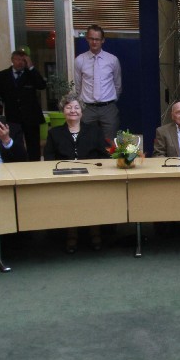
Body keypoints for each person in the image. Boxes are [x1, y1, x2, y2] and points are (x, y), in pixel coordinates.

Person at [44, 95, 109, 253]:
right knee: (70, 200)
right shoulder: (54, 133)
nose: (73, 110)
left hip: (91, 178)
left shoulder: (95, 131)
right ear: (63, 111)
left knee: (92, 199)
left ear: (82, 111)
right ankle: (71, 235)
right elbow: (49, 158)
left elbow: (104, 156)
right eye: (68, 107)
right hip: (64, 179)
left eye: (76, 107)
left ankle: (95, 233)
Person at [73, 24, 123, 145]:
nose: (94, 42)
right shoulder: (80, 60)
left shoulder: (112, 60)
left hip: (108, 107)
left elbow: (117, 84)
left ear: (103, 40)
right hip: (87, 108)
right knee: (85, 142)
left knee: (111, 143)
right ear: (87, 39)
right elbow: (78, 85)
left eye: (97, 39)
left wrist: (110, 100)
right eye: (91, 38)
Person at [0, 50, 47, 161]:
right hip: (13, 115)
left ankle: (34, 164)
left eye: (23, 60)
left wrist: (31, 67)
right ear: (12, 60)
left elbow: (42, 85)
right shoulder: (2, 75)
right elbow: (0, 95)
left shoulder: (31, 74)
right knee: (14, 141)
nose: (20, 62)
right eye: (17, 59)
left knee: (33, 144)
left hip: (31, 115)